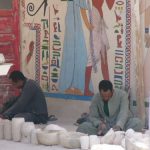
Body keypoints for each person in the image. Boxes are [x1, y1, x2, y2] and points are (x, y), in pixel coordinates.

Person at [77, 80, 143, 135]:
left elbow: (123, 112)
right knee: (83, 127)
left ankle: (116, 133)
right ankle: (112, 134)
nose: (106, 98)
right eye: (103, 96)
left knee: (138, 123)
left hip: (122, 124)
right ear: (100, 92)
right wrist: (99, 124)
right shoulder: (96, 98)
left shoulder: (122, 95)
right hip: (105, 125)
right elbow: (93, 116)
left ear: (112, 91)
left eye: (108, 95)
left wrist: (119, 125)